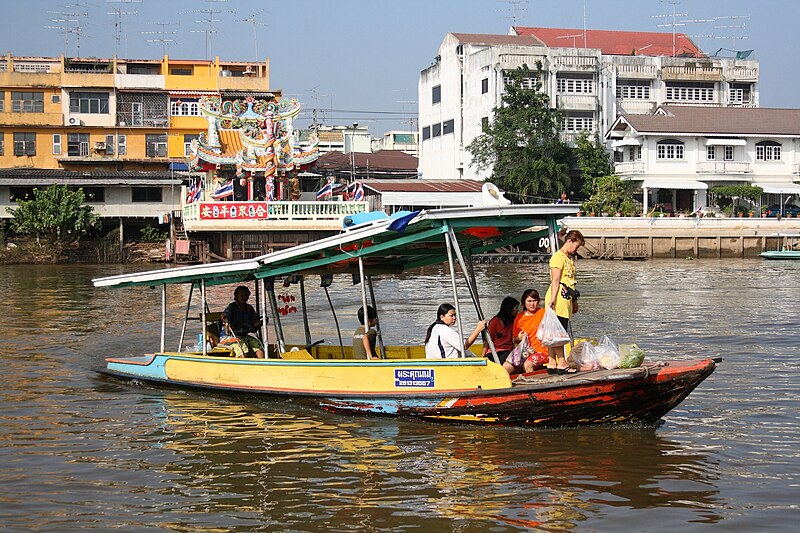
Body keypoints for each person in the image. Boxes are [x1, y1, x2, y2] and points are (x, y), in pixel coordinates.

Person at [544, 229, 585, 374]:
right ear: (570, 241)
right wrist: (553, 299)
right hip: (559, 297)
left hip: (566, 296)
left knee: (554, 330)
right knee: (558, 331)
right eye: (577, 246)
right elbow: (555, 280)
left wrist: (574, 301)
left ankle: (552, 362)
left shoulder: (569, 259)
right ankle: (561, 363)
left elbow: (571, 283)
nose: (577, 249)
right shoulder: (558, 257)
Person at [510, 288, 549, 374]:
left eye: (534, 301)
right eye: (529, 301)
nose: (532, 304)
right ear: (524, 302)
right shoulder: (519, 317)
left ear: (538, 302)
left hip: (542, 352)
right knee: (506, 367)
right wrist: (519, 337)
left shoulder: (543, 312)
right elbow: (514, 339)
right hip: (524, 351)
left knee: (528, 365)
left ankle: (532, 384)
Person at [221, 285, 265, 358]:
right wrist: (225, 319)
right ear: (236, 296)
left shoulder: (249, 308)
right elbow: (225, 316)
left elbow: (254, 323)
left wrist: (260, 323)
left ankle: (263, 363)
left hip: (243, 335)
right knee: (242, 348)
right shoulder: (232, 307)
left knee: (257, 344)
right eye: (241, 295)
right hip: (229, 337)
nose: (244, 297)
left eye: (246, 295)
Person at [482, 296, 519, 364]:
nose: (517, 310)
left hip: (507, 351)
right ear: (510, 309)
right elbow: (488, 341)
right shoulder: (495, 321)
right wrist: (482, 357)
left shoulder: (515, 321)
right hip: (494, 351)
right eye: (516, 308)